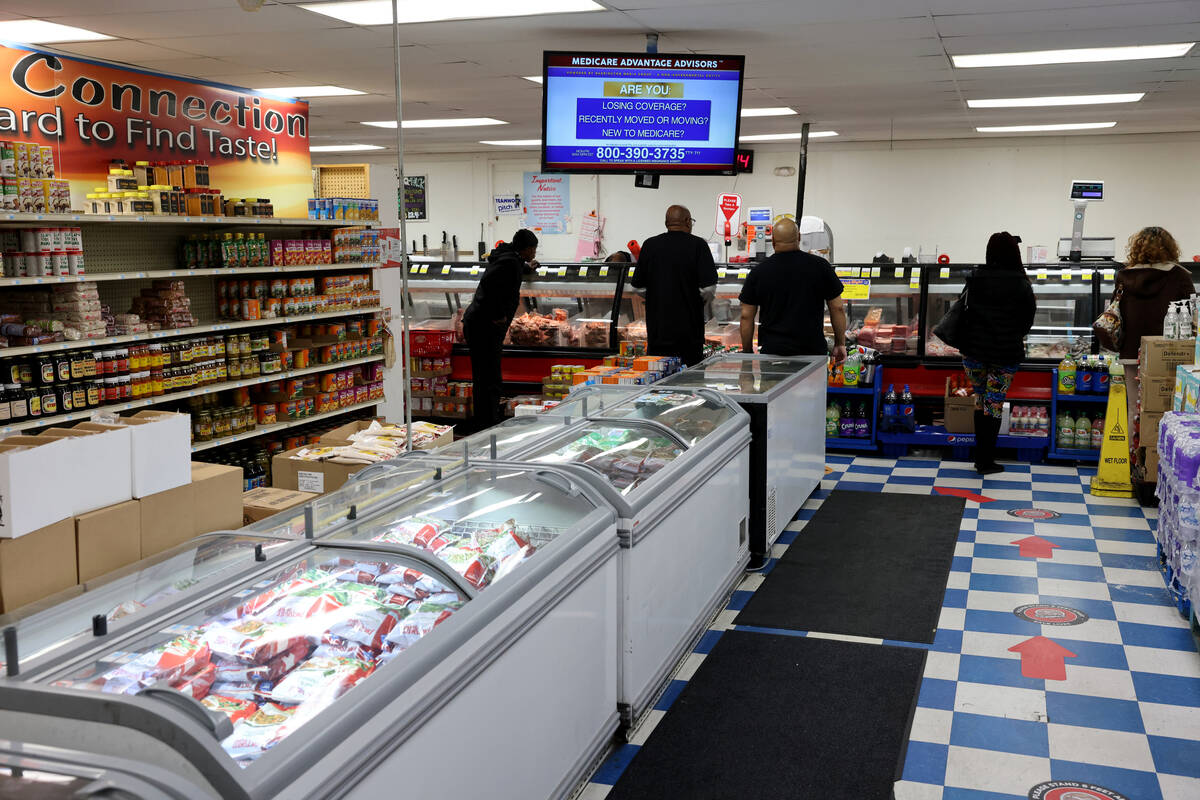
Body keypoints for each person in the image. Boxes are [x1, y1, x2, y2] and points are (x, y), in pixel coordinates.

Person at [959, 231, 1036, 475]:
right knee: (993, 404)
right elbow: (1027, 321)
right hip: (1005, 353)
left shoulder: (975, 277)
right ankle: (985, 460)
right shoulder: (1021, 282)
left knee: (981, 400)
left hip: (974, 351)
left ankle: (980, 457)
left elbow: (964, 311)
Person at [738, 217, 847, 361]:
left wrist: (747, 351)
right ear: (799, 237)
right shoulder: (821, 266)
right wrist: (840, 344)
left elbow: (746, 316)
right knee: (812, 385)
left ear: (774, 242)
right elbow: (837, 308)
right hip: (812, 354)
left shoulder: (759, 272)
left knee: (774, 385)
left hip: (772, 354)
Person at [462, 229, 537, 427]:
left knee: (484, 375)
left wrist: (527, 267)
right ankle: (488, 422)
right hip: (484, 326)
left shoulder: (508, 258)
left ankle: (485, 418)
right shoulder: (509, 262)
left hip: (479, 324)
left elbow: (508, 273)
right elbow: (491, 285)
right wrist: (498, 315)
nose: (535, 253)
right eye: (534, 249)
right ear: (527, 249)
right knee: (489, 376)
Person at [630, 205, 719, 366]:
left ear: (667, 222)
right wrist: (693, 300)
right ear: (687, 221)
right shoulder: (698, 245)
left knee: (660, 380)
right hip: (689, 336)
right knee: (690, 382)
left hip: (658, 333)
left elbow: (636, 287)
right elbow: (708, 289)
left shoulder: (650, 245)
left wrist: (655, 296)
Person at [1106, 226, 1194, 360]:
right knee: (1166, 382)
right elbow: (1193, 312)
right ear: (1170, 248)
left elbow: (1116, 310)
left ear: (1136, 248)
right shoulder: (1179, 274)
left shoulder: (1124, 276)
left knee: (1131, 382)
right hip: (1170, 352)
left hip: (1131, 350)